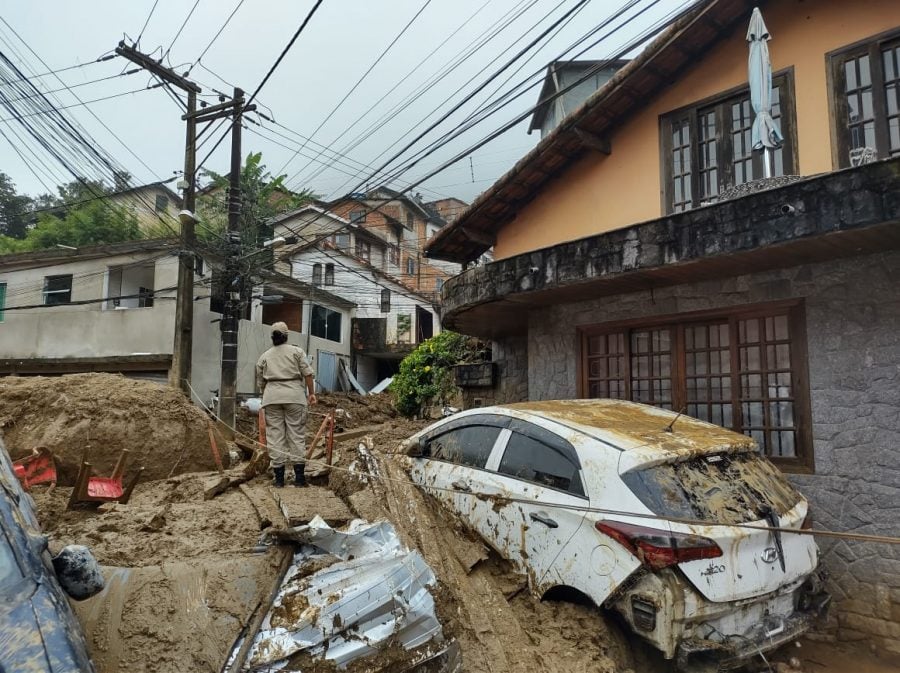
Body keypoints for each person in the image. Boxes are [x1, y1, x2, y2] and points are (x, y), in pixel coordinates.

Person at [255, 322, 317, 487]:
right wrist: (311, 394)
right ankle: (299, 479)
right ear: (286, 336)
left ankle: (279, 480)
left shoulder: (265, 356)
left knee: (275, 436)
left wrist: (264, 395)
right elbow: (308, 374)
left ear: (272, 337)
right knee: (296, 435)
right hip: (295, 396)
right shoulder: (297, 352)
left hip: (271, 397)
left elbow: (260, 381)